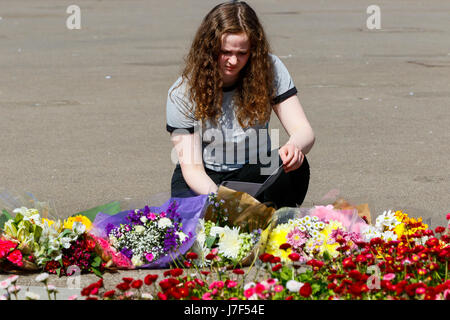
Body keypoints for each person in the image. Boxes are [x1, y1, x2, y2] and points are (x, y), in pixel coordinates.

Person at [166, 1, 315, 208]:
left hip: (254, 169)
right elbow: (193, 170)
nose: (233, 61)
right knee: (189, 222)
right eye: (225, 52)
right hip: (205, 175)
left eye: (242, 53)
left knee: (294, 166)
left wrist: (294, 147)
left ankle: (262, 210)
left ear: (254, 51)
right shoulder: (182, 91)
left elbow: (304, 131)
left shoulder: (270, 69)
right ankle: (249, 210)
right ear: (209, 48)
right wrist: (223, 201)